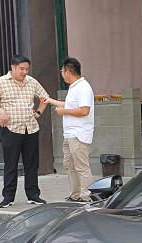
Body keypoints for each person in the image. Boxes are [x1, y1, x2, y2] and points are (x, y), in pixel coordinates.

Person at [0, 54, 49, 208]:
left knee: (32, 165)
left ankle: (33, 195)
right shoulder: (1, 82)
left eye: (27, 69)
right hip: (11, 130)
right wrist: (1, 112)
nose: (25, 72)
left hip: (31, 128)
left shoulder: (31, 82)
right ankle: (8, 197)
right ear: (13, 67)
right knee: (11, 165)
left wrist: (38, 112)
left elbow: (44, 98)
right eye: (21, 69)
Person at [42, 57, 95, 203]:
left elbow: (84, 111)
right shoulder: (75, 87)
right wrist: (50, 101)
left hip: (79, 134)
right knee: (70, 166)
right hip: (70, 134)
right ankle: (75, 195)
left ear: (68, 71)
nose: (61, 74)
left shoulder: (83, 87)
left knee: (81, 167)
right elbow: (69, 105)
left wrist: (63, 112)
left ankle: (86, 196)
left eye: (62, 71)